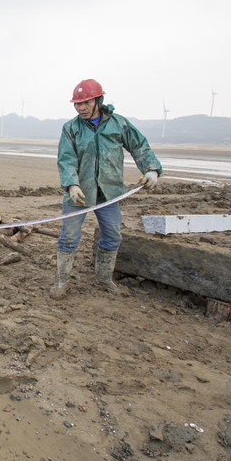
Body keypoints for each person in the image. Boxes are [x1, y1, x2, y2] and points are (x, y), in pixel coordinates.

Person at [50, 78, 161, 300]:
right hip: (79, 194)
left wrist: (151, 169)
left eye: (87, 102)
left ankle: (104, 279)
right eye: (77, 104)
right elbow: (66, 159)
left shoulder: (118, 124)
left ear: (98, 100)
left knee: (112, 236)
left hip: (108, 193)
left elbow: (139, 145)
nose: (81, 107)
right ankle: (62, 281)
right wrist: (72, 184)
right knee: (69, 237)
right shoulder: (71, 128)